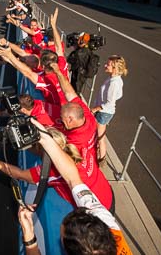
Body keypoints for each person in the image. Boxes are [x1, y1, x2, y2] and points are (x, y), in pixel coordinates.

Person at [18, 118, 132, 255]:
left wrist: (28, 235)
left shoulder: (106, 222)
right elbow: (73, 179)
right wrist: (44, 138)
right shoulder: (107, 222)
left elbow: (72, 179)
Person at [50, 62, 114, 211]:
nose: (60, 120)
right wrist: (58, 72)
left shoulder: (74, 142)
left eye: (62, 118)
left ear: (71, 119)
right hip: (101, 184)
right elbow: (69, 92)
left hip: (94, 204)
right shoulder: (85, 114)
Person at [91, 55, 128, 162]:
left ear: (115, 68)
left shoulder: (114, 83)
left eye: (108, 64)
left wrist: (95, 109)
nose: (105, 65)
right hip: (105, 112)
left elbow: (109, 103)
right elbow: (119, 95)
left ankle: (101, 159)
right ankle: (99, 155)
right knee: (99, 135)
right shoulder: (115, 79)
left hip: (103, 113)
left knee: (100, 137)